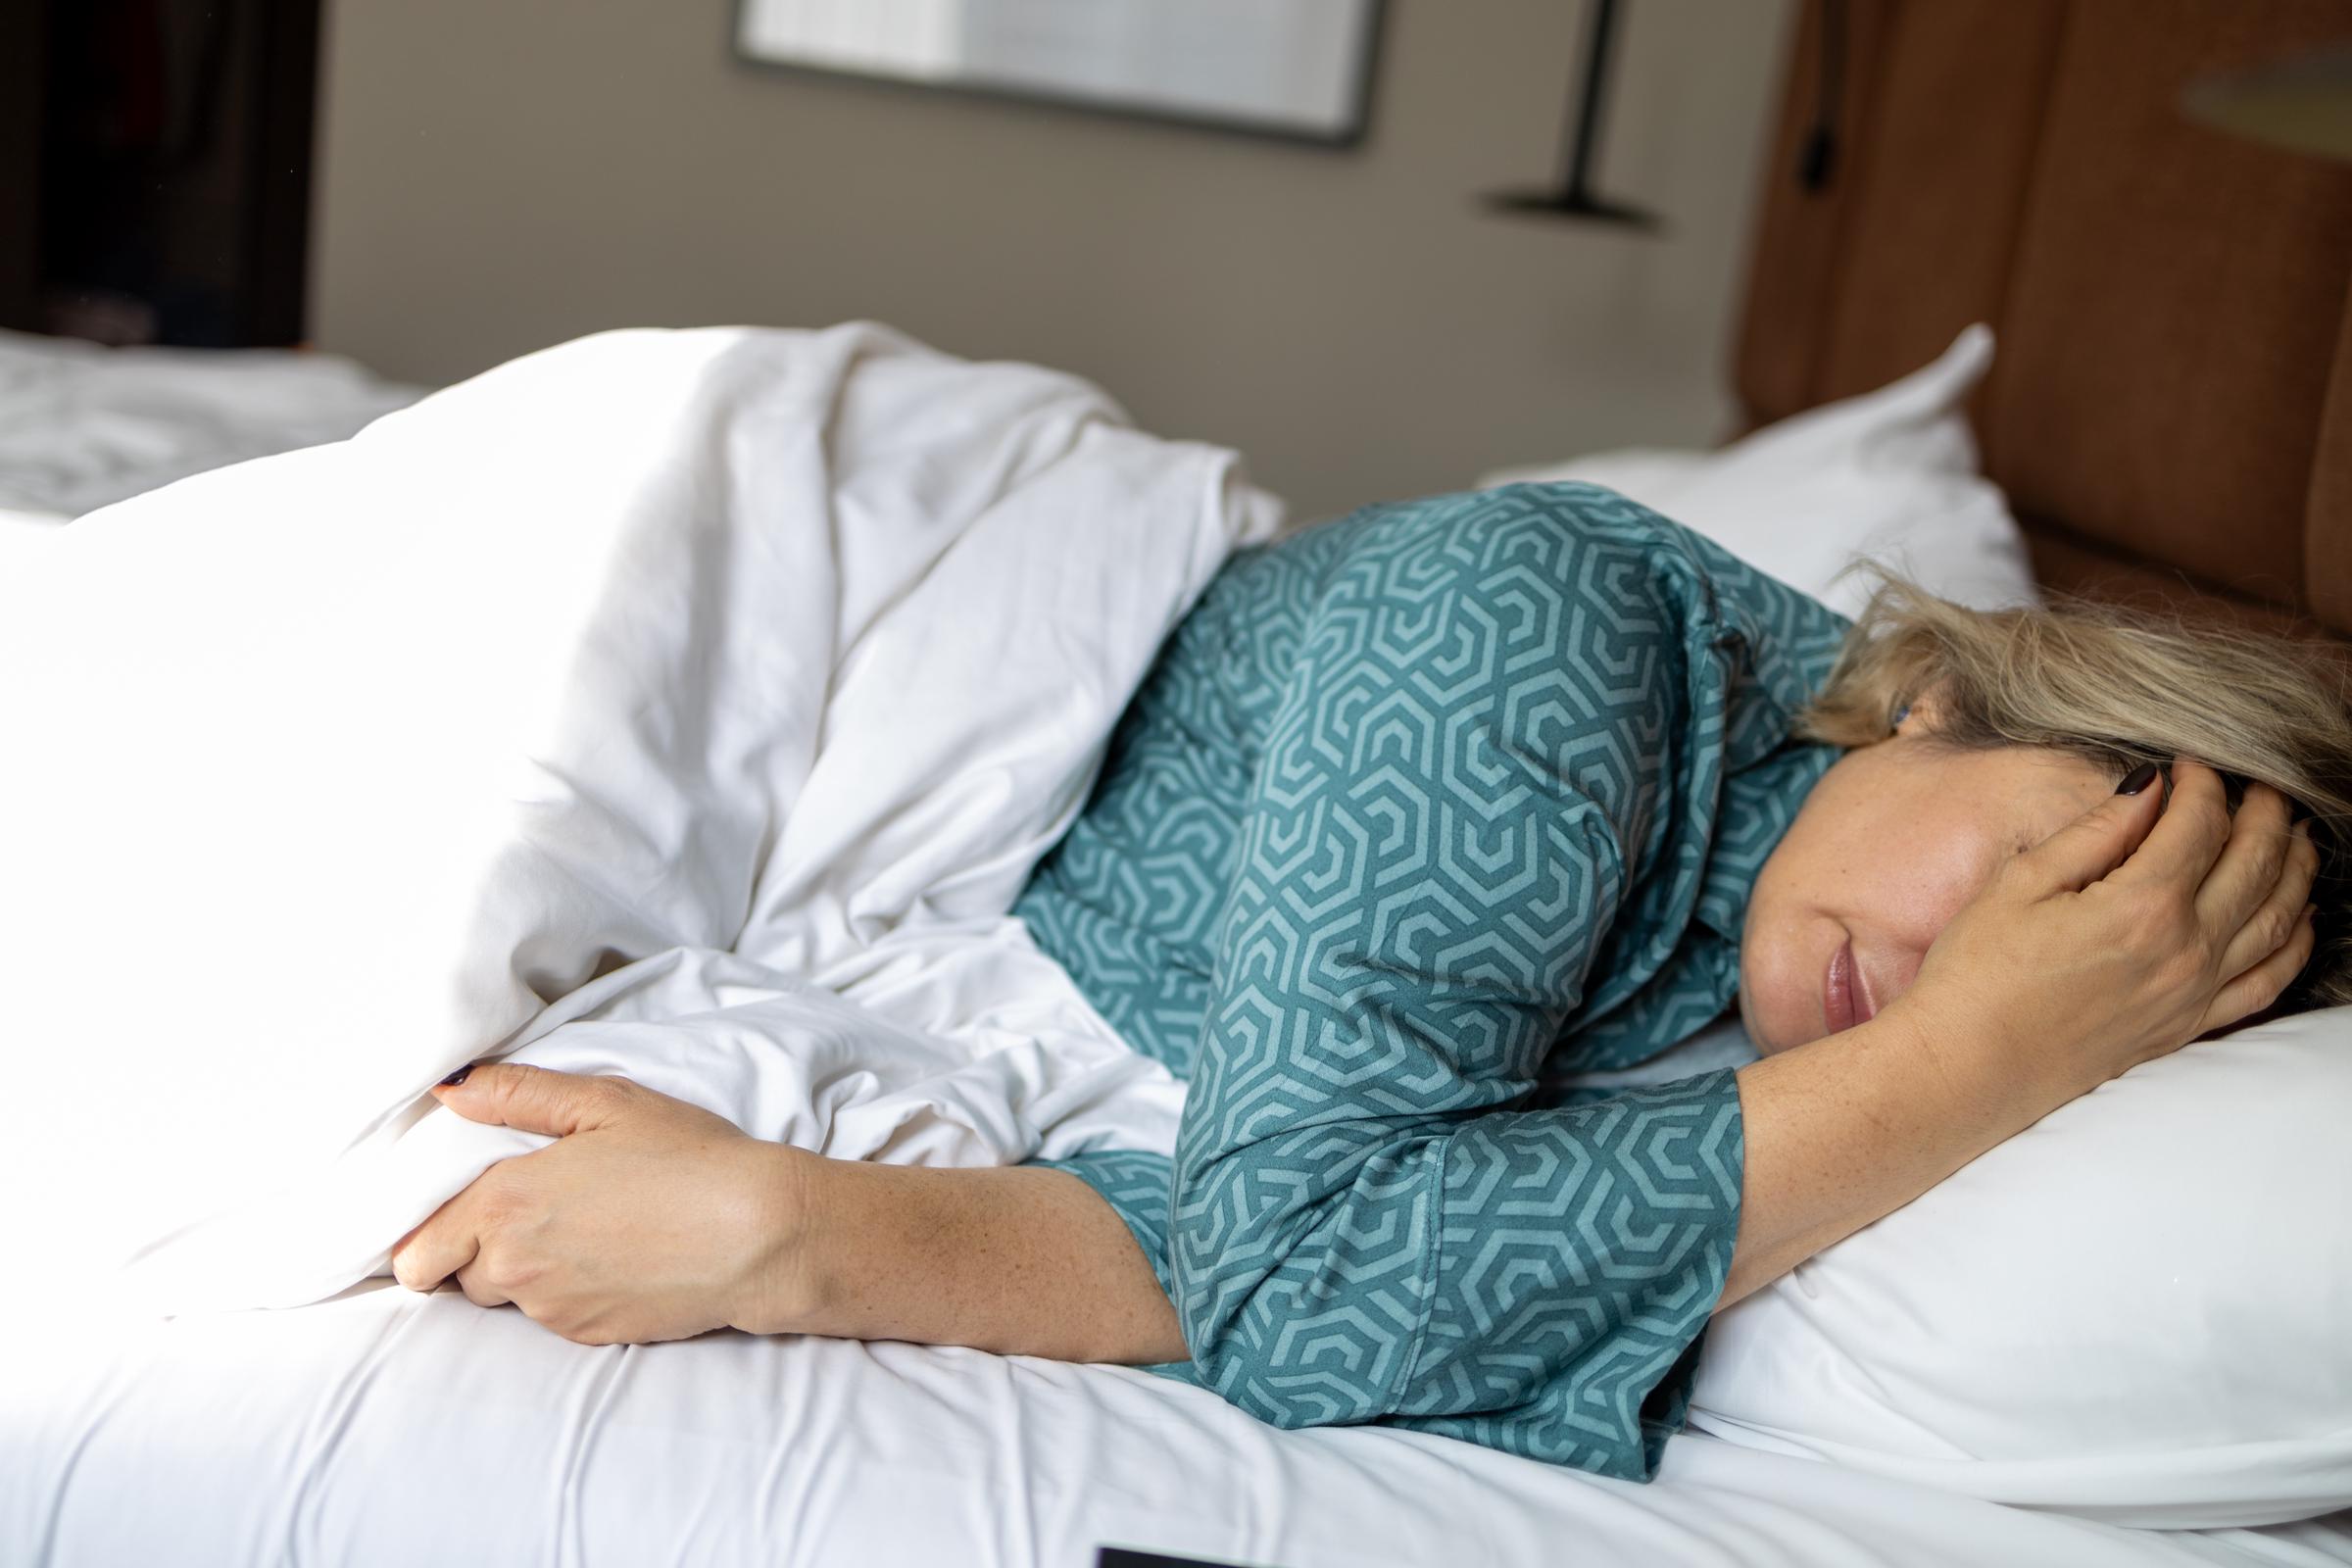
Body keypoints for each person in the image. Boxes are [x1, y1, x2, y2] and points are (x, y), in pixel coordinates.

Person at [390, 484, 2346, 1481]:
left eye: (2057, 993)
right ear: (1943, 694)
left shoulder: (1745, 966)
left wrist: (798, 1225)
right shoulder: (1543, 635)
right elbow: (1313, 1284)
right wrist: (1987, 1053)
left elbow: (1317, 1239)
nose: (1934, 979)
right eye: (2018, 879)